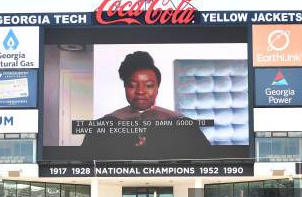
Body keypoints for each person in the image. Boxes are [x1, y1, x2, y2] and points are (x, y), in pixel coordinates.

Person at [80, 51, 211, 159]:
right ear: (125, 87)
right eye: (132, 85)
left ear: (157, 88)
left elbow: (206, 161)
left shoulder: (186, 127)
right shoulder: (99, 129)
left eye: (148, 85)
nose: (140, 91)